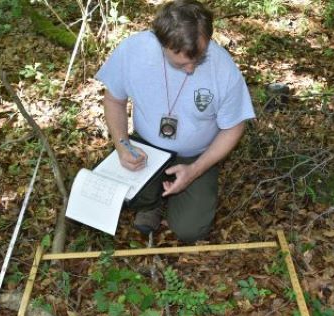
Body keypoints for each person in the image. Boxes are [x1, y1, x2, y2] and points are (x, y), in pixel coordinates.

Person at [94, 0, 255, 243]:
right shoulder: (133, 51)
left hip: (197, 155)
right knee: (111, 194)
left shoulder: (223, 67)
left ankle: (175, 190)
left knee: (191, 230)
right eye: (181, 63)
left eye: (198, 58)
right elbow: (114, 100)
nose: (191, 69)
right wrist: (122, 145)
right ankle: (152, 203)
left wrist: (195, 170)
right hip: (145, 147)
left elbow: (234, 127)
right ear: (162, 43)